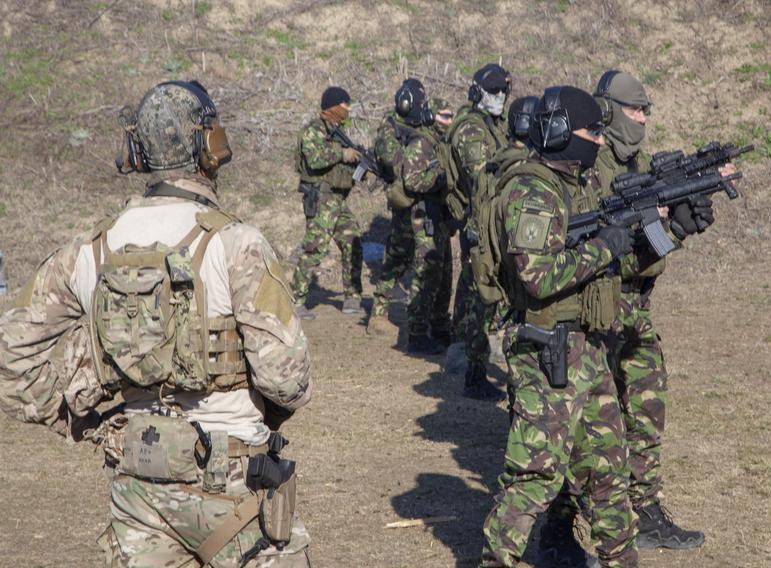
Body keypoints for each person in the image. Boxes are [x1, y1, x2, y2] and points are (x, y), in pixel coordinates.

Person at [0, 80, 313, 566]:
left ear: (138, 152)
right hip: (232, 483)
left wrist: (83, 416)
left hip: (137, 481)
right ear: (208, 147)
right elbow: (287, 380)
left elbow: (11, 357)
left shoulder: (90, 250)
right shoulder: (237, 244)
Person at [540, 70, 720, 559]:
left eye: (645, 112)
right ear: (610, 110)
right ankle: (558, 522)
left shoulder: (636, 163)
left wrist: (678, 230)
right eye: (636, 110)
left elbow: (641, 252)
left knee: (645, 410)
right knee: (581, 426)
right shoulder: (584, 165)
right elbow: (592, 247)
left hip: (633, 308)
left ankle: (645, 511)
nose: (642, 119)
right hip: (591, 312)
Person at [480, 85, 637, 568]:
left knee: (610, 470)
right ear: (564, 133)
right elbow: (537, 274)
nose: (597, 141)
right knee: (533, 477)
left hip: (587, 348)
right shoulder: (532, 191)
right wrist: (604, 248)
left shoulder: (574, 185)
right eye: (591, 132)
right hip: (547, 353)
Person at [366, 79, 454, 355]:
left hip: (427, 208)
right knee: (401, 259)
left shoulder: (426, 129)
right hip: (411, 209)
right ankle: (385, 315)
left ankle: (436, 324)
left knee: (437, 267)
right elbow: (404, 169)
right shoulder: (395, 130)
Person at [460, 95, 538, 400]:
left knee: (481, 309)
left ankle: (474, 372)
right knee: (514, 318)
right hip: (508, 251)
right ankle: (514, 385)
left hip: (485, 248)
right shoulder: (525, 167)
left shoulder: (494, 162)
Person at [445, 63, 511, 397]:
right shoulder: (471, 129)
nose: (500, 97)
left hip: (491, 220)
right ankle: (474, 371)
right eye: (493, 90)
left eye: (504, 91)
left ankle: (468, 354)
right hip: (479, 223)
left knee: (478, 292)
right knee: (481, 297)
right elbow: (483, 173)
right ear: (477, 92)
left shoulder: (494, 125)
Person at [291, 86, 365, 320]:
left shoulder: (337, 132)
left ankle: (352, 296)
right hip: (321, 198)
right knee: (315, 249)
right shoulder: (314, 131)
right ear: (334, 107)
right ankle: (297, 300)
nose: (349, 109)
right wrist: (343, 154)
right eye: (345, 105)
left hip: (337, 200)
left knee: (353, 242)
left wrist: (359, 163)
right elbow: (314, 159)